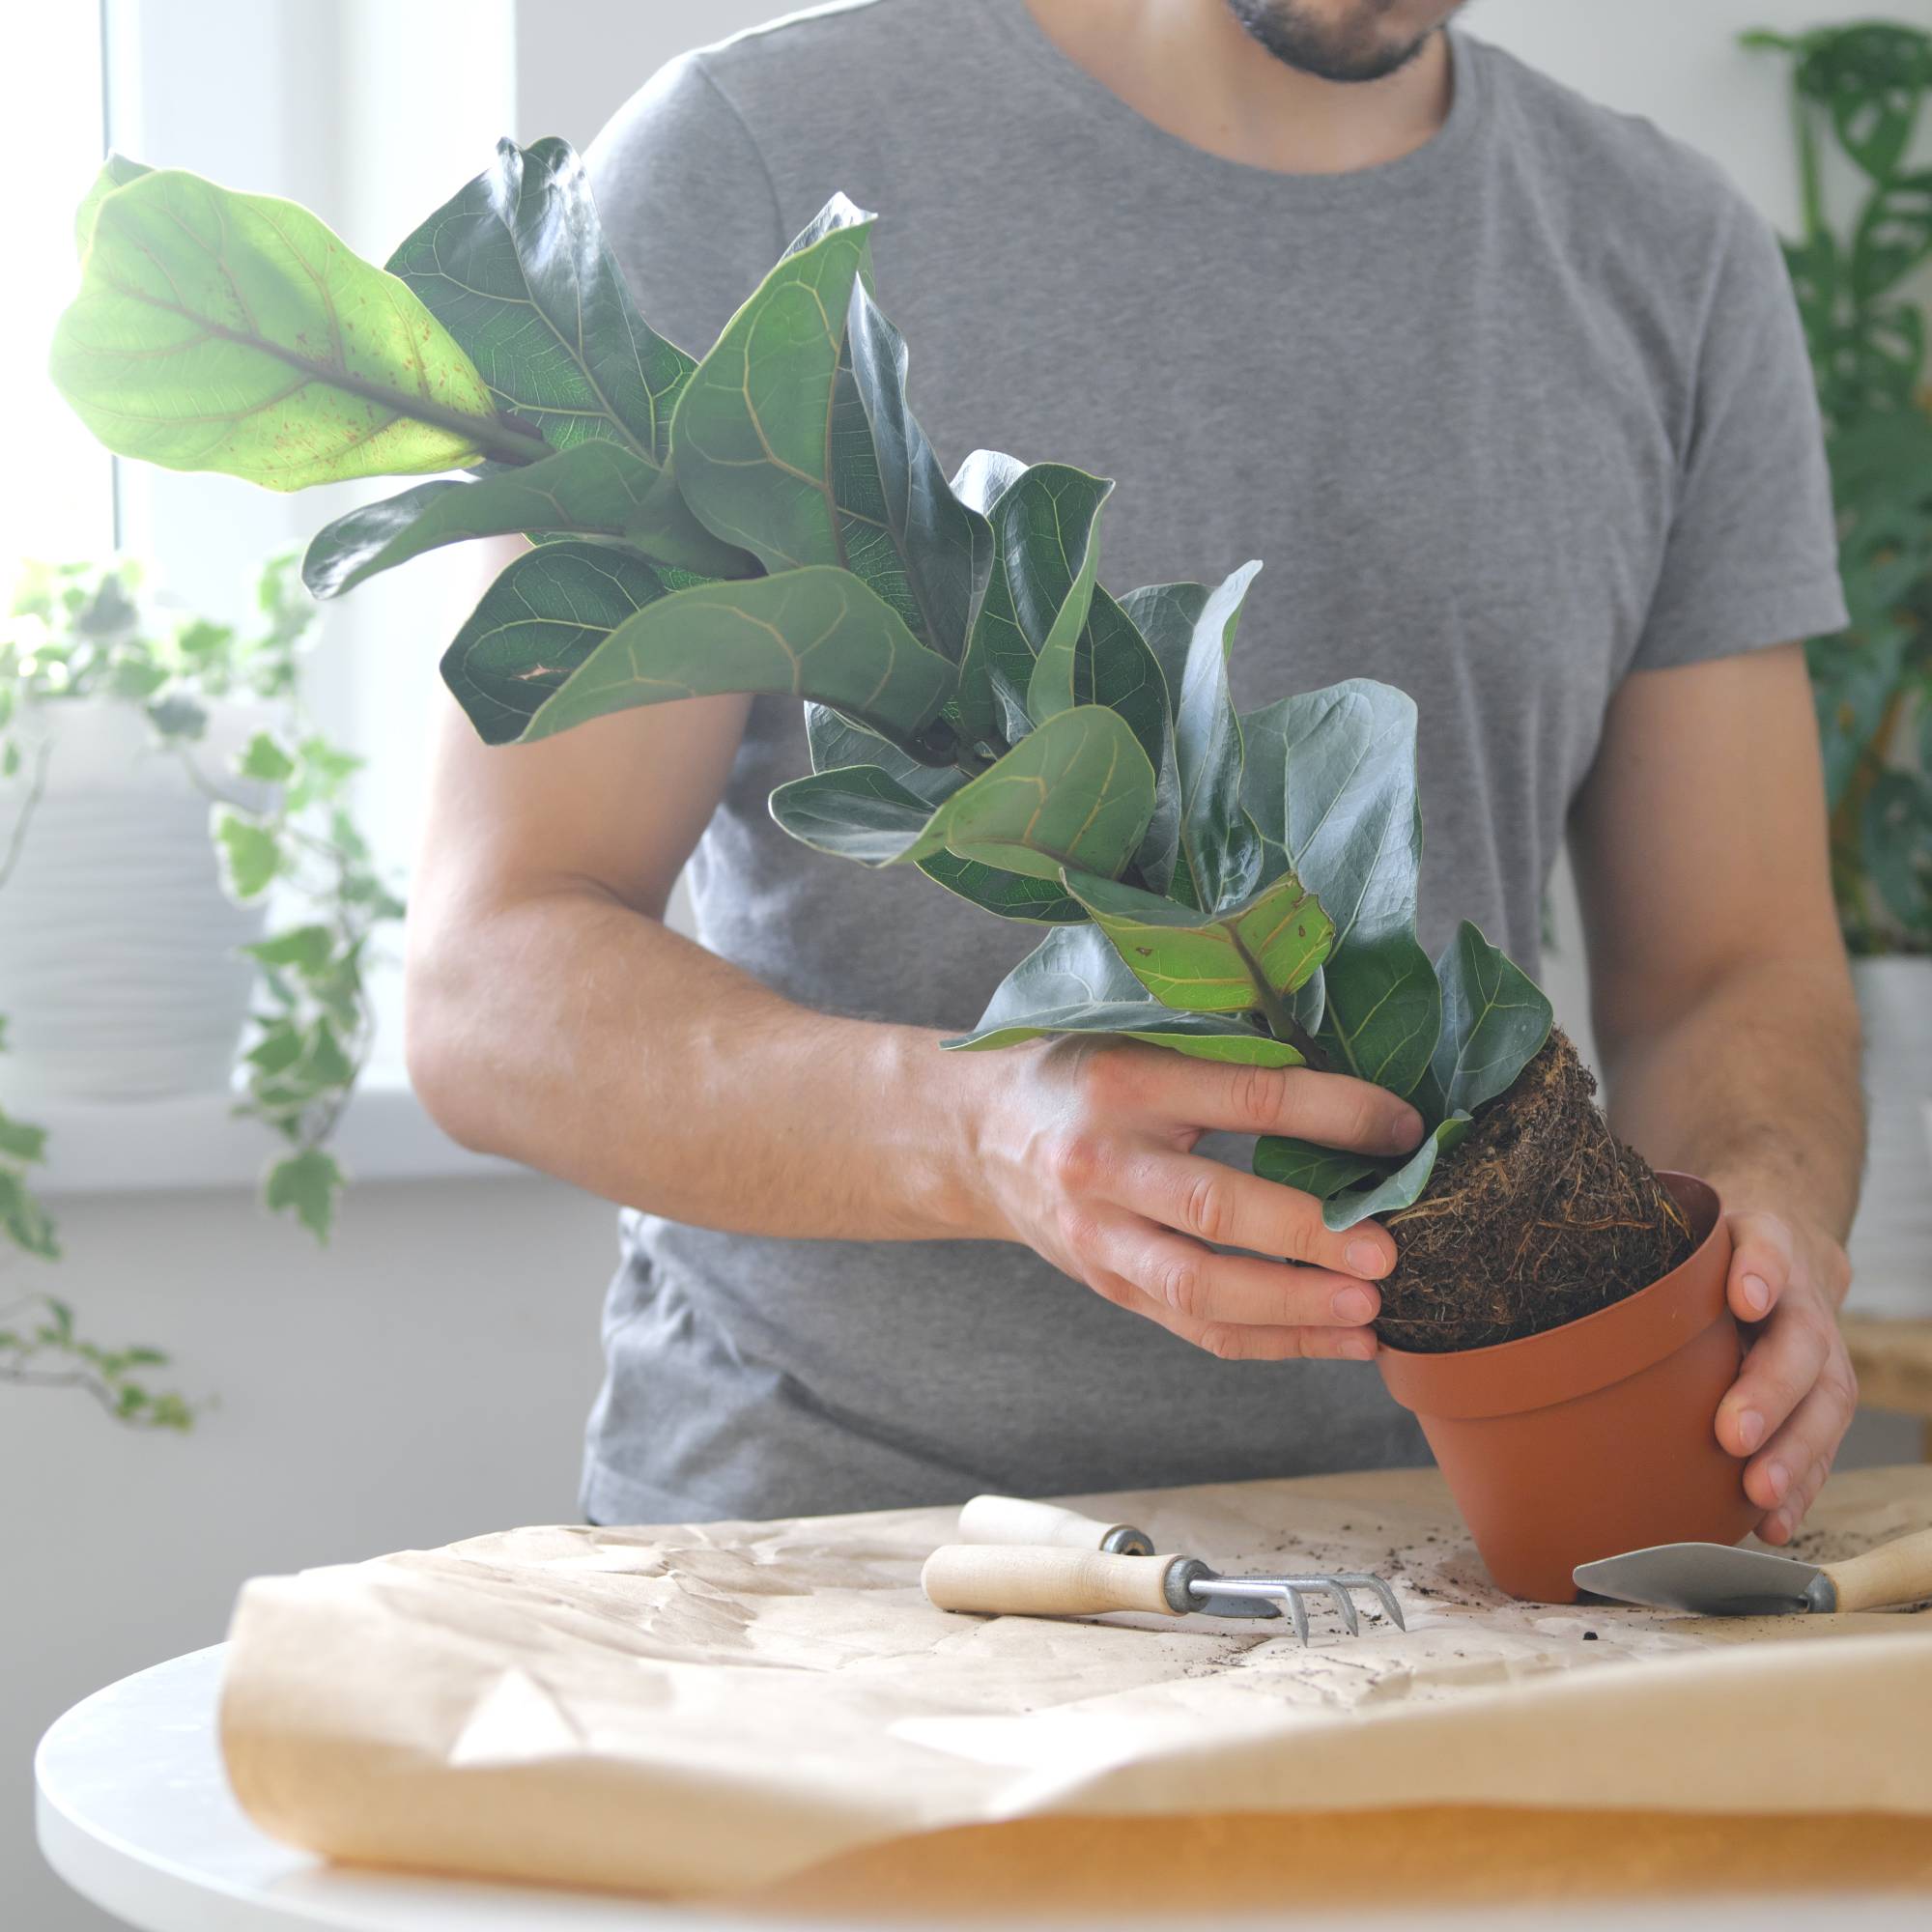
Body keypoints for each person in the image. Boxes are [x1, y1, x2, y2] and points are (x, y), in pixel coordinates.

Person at [407, 0, 1863, 1543]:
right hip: (832, 1560)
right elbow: (490, 981)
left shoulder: (1668, 254)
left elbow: (1733, 973)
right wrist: (976, 1136)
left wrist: (1761, 1210)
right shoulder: (755, 160)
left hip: (1439, 1556)